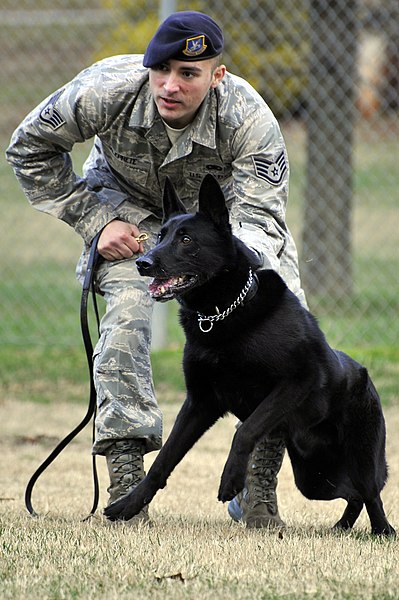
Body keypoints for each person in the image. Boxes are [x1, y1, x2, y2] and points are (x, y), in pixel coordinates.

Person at [7, 11, 307, 527]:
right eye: (160, 70)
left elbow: (260, 219)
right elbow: (28, 148)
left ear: (218, 76)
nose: (169, 85)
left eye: (188, 74)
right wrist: (96, 221)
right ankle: (127, 482)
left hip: (227, 234)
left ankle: (257, 491)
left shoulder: (248, 118)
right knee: (125, 322)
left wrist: (231, 274)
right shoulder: (105, 90)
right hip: (133, 225)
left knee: (286, 322)